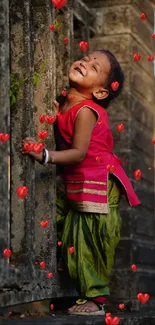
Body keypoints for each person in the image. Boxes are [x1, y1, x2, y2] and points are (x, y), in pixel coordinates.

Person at [23, 50, 140, 316]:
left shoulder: (86, 111)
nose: (85, 63)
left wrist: (44, 156)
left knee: (87, 238)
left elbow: (78, 152)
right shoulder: (67, 101)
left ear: (100, 92)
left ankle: (97, 300)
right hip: (80, 181)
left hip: (98, 184)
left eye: (94, 66)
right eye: (85, 59)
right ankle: (74, 291)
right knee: (68, 233)